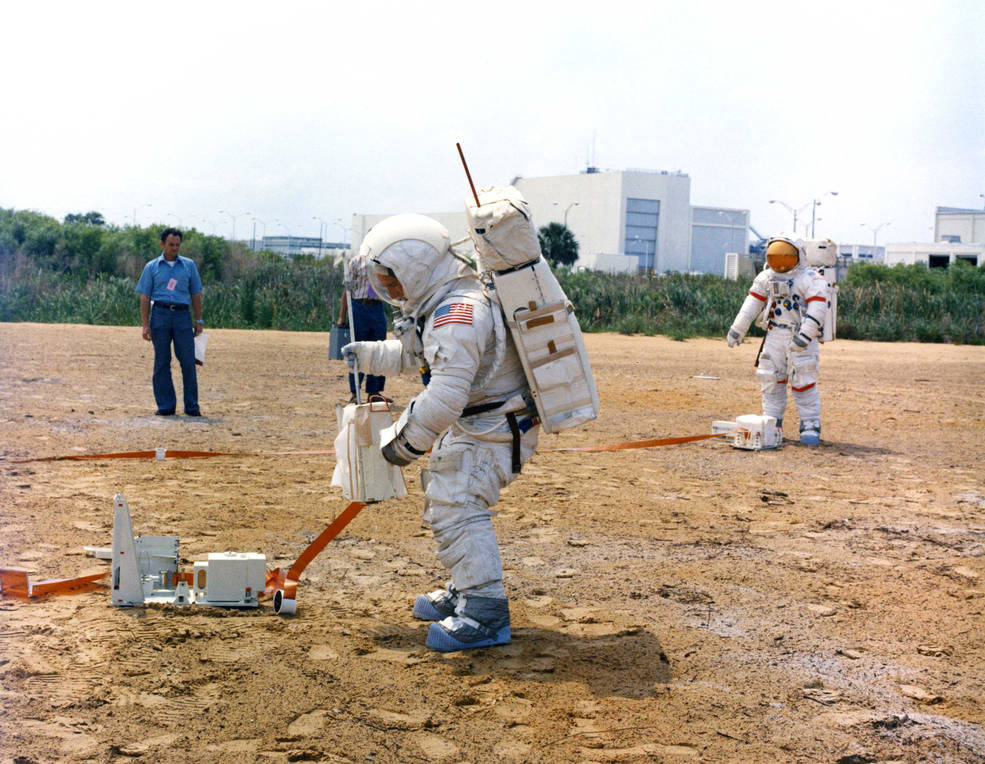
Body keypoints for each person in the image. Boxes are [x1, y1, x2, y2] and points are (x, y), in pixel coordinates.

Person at [341, 213, 539, 653]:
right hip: (484, 420)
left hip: (495, 425)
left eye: (391, 281)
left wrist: (399, 444)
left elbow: (446, 395)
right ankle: (465, 588)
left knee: (458, 503)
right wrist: (369, 355)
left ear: (415, 269)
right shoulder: (444, 301)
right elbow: (418, 356)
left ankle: (485, 613)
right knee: (447, 495)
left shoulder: (458, 313)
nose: (388, 291)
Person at [726, 233, 829, 445]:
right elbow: (751, 304)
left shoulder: (810, 279)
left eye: (785, 256)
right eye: (775, 256)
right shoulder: (766, 277)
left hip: (799, 337)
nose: (780, 262)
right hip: (774, 334)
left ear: (798, 255)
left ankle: (810, 424)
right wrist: (737, 328)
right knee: (770, 378)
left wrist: (805, 335)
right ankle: (772, 422)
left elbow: (818, 310)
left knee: (803, 381)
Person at [135, 228, 204, 417]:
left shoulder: (189, 266)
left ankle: (191, 406)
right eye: (171, 245)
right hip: (160, 315)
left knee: (188, 362)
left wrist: (198, 320)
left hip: (182, 316)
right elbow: (144, 296)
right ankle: (166, 406)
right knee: (162, 362)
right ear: (162, 244)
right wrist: (145, 325)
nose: (175, 248)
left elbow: (196, 293)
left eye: (177, 245)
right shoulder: (152, 267)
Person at [337, 252, 388, 403]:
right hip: (358, 308)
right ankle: (354, 393)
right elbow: (347, 291)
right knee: (357, 351)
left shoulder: (386, 261)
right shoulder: (356, 262)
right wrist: (342, 316)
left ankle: (374, 391)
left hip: (377, 308)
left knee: (379, 350)